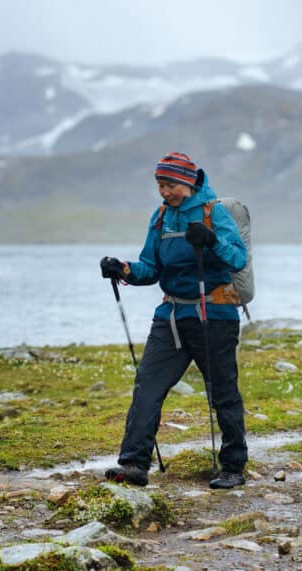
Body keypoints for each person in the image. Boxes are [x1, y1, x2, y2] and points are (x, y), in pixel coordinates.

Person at [100, 152, 249, 489]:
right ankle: (134, 464)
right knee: (147, 387)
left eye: (170, 185)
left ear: (188, 182)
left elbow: (238, 258)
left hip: (214, 314)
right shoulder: (161, 216)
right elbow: (151, 268)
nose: (165, 192)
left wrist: (211, 240)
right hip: (170, 317)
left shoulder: (214, 213)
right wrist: (123, 269)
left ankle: (232, 467)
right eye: (160, 185)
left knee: (223, 392)